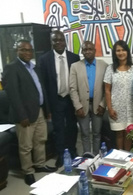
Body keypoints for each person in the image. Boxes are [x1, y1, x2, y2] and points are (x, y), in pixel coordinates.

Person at [2, 40, 57, 185]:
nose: (27, 52)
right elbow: (13, 94)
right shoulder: (11, 68)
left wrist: (47, 110)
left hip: (39, 111)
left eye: (29, 50)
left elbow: (42, 89)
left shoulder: (34, 67)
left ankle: (39, 165)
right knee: (26, 146)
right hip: (25, 115)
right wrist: (22, 116)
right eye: (23, 50)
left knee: (40, 140)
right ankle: (28, 171)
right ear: (17, 51)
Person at [39, 30, 80, 167]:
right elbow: (43, 85)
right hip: (55, 99)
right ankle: (61, 154)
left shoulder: (74, 57)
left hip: (71, 99)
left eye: (61, 40)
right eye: (55, 40)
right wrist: (47, 107)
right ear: (51, 42)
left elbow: (78, 81)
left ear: (65, 41)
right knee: (58, 129)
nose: (58, 42)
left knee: (72, 127)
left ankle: (73, 151)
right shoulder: (44, 59)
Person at [69, 41, 108, 155]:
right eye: (85, 50)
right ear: (82, 52)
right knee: (85, 134)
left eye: (90, 49)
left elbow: (107, 87)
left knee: (97, 133)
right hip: (82, 106)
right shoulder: (75, 66)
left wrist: (103, 104)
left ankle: (96, 157)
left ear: (95, 51)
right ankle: (87, 157)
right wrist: (77, 106)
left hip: (98, 105)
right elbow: (72, 88)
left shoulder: (104, 65)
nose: (88, 51)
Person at [104, 40, 133, 151]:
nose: (121, 53)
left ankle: (127, 157)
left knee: (129, 133)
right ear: (114, 53)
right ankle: (120, 156)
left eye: (123, 50)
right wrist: (109, 108)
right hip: (116, 107)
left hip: (131, 107)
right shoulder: (110, 68)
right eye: (118, 50)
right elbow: (107, 90)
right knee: (119, 134)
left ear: (127, 52)